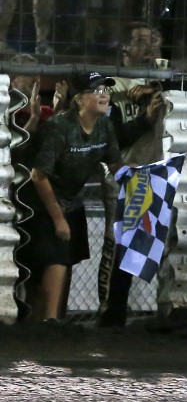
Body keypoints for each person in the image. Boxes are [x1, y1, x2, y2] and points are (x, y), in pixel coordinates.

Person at [16, 70, 125, 322]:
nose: (104, 95)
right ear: (79, 99)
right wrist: (58, 219)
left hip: (72, 199)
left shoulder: (104, 125)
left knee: (67, 259)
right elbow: (38, 176)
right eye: (96, 91)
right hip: (39, 200)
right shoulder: (59, 128)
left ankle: (54, 319)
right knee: (56, 258)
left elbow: (114, 163)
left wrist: (140, 173)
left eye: (106, 90)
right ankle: (49, 321)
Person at [97, 23, 169, 328]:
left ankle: (166, 311)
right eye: (141, 40)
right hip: (123, 175)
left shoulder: (164, 80)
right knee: (118, 244)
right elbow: (112, 138)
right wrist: (145, 119)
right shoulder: (112, 84)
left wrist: (154, 89)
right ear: (125, 48)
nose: (149, 46)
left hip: (157, 174)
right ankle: (111, 311)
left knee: (157, 243)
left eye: (154, 40)